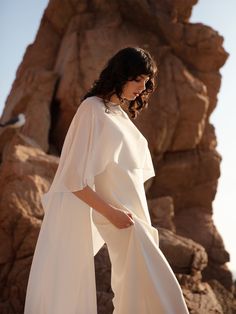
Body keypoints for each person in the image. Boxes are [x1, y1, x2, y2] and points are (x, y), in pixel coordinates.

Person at [24, 47, 189, 314]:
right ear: (121, 74)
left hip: (138, 221)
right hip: (123, 221)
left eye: (146, 82)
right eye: (138, 79)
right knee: (164, 296)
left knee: (139, 297)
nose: (142, 87)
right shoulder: (91, 109)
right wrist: (112, 214)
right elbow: (74, 180)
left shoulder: (118, 115)